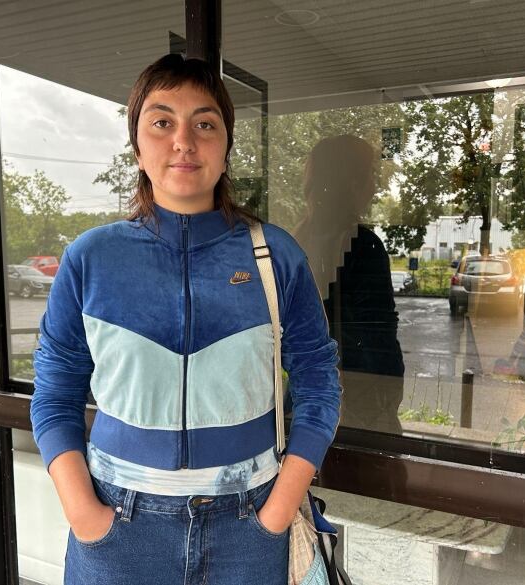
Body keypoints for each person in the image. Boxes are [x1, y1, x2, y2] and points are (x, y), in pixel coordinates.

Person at [29, 53, 342, 585]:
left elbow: (318, 380)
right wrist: (86, 516)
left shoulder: (274, 255)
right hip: (119, 528)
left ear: (225, 146)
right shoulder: (91, 258)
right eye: (161, 121)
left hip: (250, 526)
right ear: (137, 144)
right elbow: (54, 394)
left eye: (204, 123)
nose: (183, 141)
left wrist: (278, 511)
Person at [293, 135, 405, 435]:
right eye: (370, 174)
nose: (375, 186)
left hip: (305, 389)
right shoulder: (362, 244)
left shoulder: (295, 239)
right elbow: (377, 331)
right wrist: (388, 392)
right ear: (352, 182)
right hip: (357, 392)